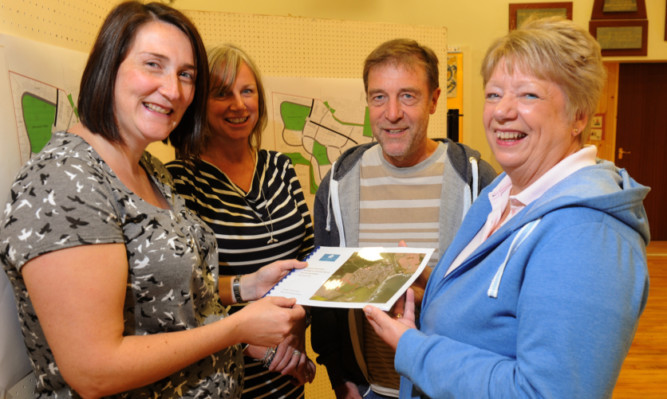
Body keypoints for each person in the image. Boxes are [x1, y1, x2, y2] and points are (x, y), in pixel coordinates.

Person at [0, 2, 307, 397]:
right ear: (108, 66)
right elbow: (94, 371)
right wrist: (236, 326)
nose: (173, 90)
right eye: (153, 65)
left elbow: (169, 295)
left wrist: (246, 287)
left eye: (185, 75)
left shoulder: (151, 171)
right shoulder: (63, 183)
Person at [363, 17, 651, 398]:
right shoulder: (502, 192)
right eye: (494, 94)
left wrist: (412, 348)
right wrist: (430, 285)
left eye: (528, 95)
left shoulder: (588, 235)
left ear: (579, 116)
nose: (502, 111)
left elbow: (544, 393)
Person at [310, 38, 496, 399]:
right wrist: (340, 378)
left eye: (407, 96)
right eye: (379, 97)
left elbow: (493, 298)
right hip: (370, 389)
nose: (391, 113)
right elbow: (325, 292)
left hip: (451, 387)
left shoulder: (475, 181)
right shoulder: (338, 182)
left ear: (434, 100)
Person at [166, 44, 316, 398]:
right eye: (222, 93)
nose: (238, 104)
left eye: (247, 91)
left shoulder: (280, 167)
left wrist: (298, 322)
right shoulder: (181, 181)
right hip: (221, 374)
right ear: (200, 104)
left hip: (286, 371)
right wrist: (255, 343)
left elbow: (310, 256)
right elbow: (186, 289)